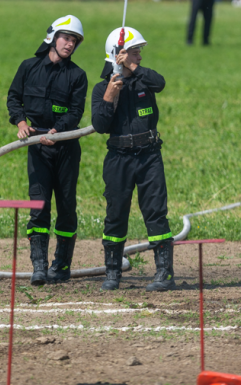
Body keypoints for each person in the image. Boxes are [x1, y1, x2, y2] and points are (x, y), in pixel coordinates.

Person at [6, 15, 88, 285]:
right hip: (36, 147)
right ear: (52, 38)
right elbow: (14, 97)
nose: (70, 44)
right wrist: (20, 122)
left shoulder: (77, 76)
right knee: (38, 206)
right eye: (66, 38)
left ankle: (61, 267)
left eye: (74, 41)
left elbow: (76, 111)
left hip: (65, 147)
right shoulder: (28, 67)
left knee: (66, 206)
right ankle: (39, 268)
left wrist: (58, 132)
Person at [91, 27, 174, 292]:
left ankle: (164, 273)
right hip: (119, 158)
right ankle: (113, 272)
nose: (139, 55)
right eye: (134, 51)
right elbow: (100, 125)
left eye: (138, 51)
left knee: (155, 212)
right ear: (117, 54)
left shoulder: (144, 82)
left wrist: (133, 68)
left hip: (149, 156)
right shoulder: (103, 88)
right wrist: (110, 95)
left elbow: (159, 82)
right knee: (115, 214)